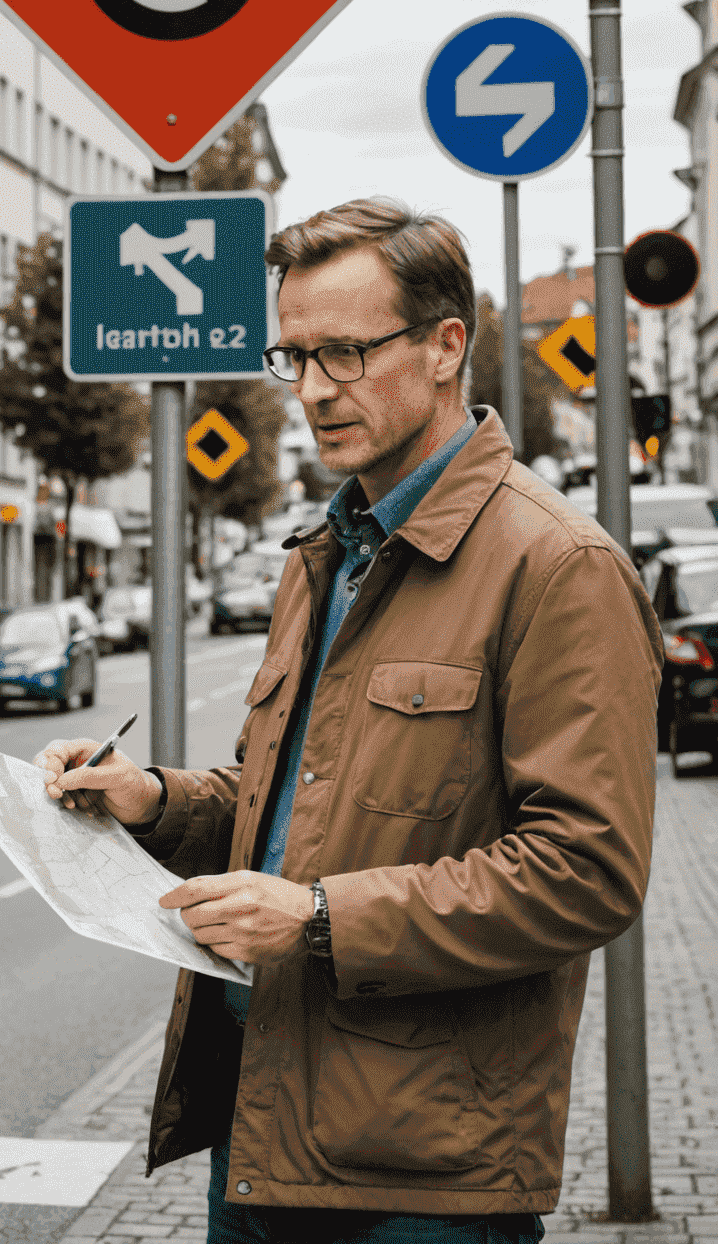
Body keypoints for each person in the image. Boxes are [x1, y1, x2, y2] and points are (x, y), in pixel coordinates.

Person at [37, 198, 660, 1242]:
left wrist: (320, 920)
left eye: (347, 353)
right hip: (263, 1120)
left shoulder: (558, 566)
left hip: (424, 1171)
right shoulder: (322, 556)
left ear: (446, 345)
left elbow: (587, 871)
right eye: (295, 358)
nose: (316, 391)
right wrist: (150, 800)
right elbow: (285, 807)